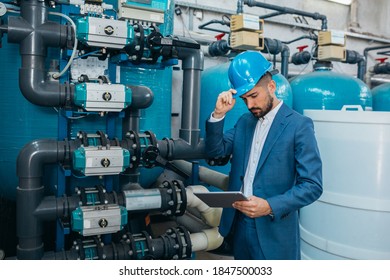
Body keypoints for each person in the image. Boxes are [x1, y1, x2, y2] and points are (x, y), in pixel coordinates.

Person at [205, 51, 323, 260]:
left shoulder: (298, 126)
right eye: (244, 99)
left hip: (274, 229)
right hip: (239, 225)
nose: (250, 105)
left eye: (253, 96)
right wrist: (218, 115)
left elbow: (312, 185)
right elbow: (216, 153)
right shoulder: (244, 122)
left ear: (271, 87)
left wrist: (269, 206)